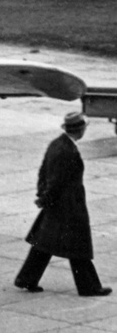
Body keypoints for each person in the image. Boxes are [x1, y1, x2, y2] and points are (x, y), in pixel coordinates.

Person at [14, 112, 111, 297]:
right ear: (80, 129)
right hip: (68, 207)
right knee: (78, 247)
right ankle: (88, 286)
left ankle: (26, 278)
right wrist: (45, 198)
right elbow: (56, 182)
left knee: (44, 244)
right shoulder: (67, 151)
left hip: (56, 206)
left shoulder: (56, 144)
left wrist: (42, 194)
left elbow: (43, 172)